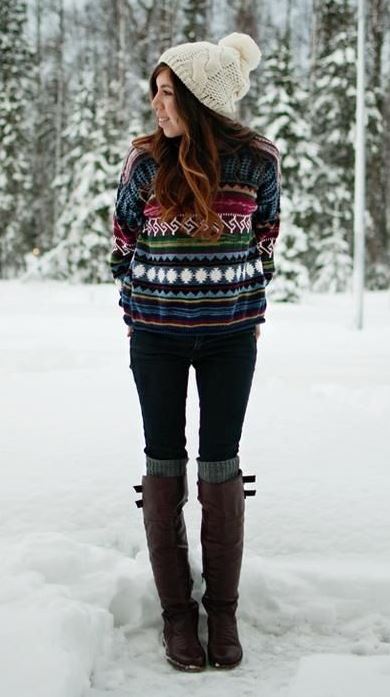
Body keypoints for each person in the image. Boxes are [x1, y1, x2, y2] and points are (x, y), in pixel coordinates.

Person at [110, 32, 281, 672]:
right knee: (162, 463)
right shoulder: (144, 163)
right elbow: (122, 239)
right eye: (154, 91)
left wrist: (251, 303)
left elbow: (266, 236)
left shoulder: (259, 160)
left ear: (200, 99)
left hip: (231, 339)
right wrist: (136, 308)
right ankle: (178, 614)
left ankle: (224, 611)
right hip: (154, 338)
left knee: (219, 467)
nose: (156, 104)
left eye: (167, 92)